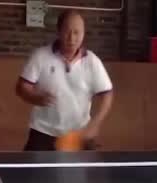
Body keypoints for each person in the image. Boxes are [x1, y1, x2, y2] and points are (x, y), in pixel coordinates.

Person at [15, 9, 114, 150]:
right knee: (33, 172)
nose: (72, 38)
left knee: (86, 172)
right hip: (43, 134)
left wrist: (95, 124)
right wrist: (33, 97)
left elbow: (107, 95)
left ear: (83, 33)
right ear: (58, 32)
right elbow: (21, 87)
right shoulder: (40, 56)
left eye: (77, 32)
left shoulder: (92, 62)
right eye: (67, 32)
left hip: (78, 135)